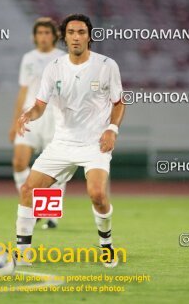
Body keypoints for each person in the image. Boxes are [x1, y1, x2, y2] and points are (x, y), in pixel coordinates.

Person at [15, 14, 126, 267]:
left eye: (82, 32)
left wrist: (112, 129)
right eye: (72, 32)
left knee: (97, 194)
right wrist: (27, 116)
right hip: (62, 144)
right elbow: (40, 105)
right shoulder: (54, 67)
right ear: (64, 37)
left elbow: (119, 103)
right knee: (28, 190)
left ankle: (106, 245)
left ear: (89, 36)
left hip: (94, 144)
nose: (76, 37)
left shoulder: (107, 65)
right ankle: (23, 252)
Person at [9, 17, 66, 229]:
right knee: (18, 162)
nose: (43, 37)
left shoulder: (63, 58)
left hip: (54, 116)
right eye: (40, 33)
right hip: (30, 115)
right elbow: (23, 90)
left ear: (54, 35)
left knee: (55, 168)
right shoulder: (28, 58)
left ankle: (50, 216)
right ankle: (31, 201)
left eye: (47, 33)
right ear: (35, 36)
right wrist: (15, 121)